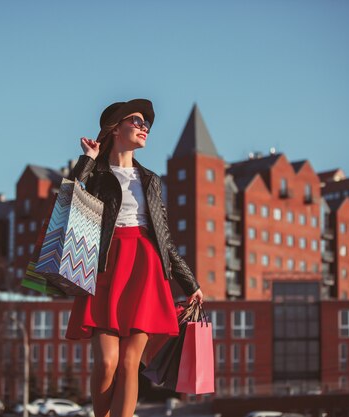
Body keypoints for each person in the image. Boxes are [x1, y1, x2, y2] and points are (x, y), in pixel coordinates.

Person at [64, 99, 203, 417]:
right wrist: (87, 159)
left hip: (145, 268)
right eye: (137, 121)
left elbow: (163, 237)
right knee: (107, 362)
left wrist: (189, 282)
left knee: (129, 363)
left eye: (147, 125)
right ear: (115, 128)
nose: (145, 128)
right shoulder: (96, 175)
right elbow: (69, 199)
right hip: (105, 267)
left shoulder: (151, 180)